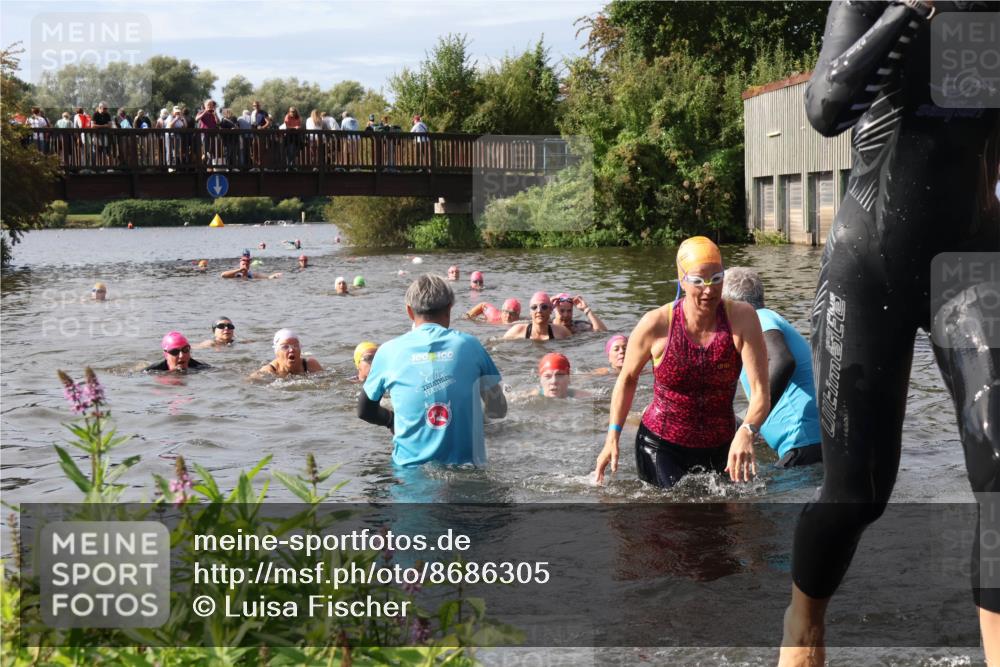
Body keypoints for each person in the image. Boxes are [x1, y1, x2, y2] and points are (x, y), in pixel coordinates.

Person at [779, 2, 1000, 664]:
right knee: (856, 496)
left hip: (972, 262)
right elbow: (824, 108)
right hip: (869, 262)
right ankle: (803, 621)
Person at [593, 236, 769, 489]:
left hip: (722, 445)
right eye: (698, 281)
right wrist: (612, 437)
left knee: (727, 524)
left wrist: (747, 431)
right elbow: (627, 379)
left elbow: (761, 393)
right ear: (682, 281)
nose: (709, 290)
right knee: (674, 519)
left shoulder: (741, 318)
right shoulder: (656, 324)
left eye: (717, 279)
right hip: (661, 446)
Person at [357, 274, 507, 466]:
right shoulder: (470, 345)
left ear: (409, 312)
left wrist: (391, 420)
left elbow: (364, 411)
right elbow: (499, 409)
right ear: (449, 309)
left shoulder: (388, 351)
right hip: (467, 469)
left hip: (409, 472)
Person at [722, 267, 821, 468]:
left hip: (805, 442)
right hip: (813, 442)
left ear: (732, 305)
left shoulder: (759, 318)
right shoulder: (753, 332)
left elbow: (783, 360)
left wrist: (751, 427)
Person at [503, 291, 571, 340]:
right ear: (530, 312)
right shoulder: (517, 330)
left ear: (550, 310)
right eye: (534, 307)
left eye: (544, 307)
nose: (539, 311)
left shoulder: (562, 332)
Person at [255, 329, 323, 377]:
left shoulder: (310, 365)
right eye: (285, 347)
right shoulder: (269, 371)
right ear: (277, 352)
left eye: (295, 346)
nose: (291, 350)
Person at [144, 332, 210, 372]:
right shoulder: (152, 371)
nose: (181, 355)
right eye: (175, 352)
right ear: (166, 354)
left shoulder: (201, 367)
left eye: (185, 350)